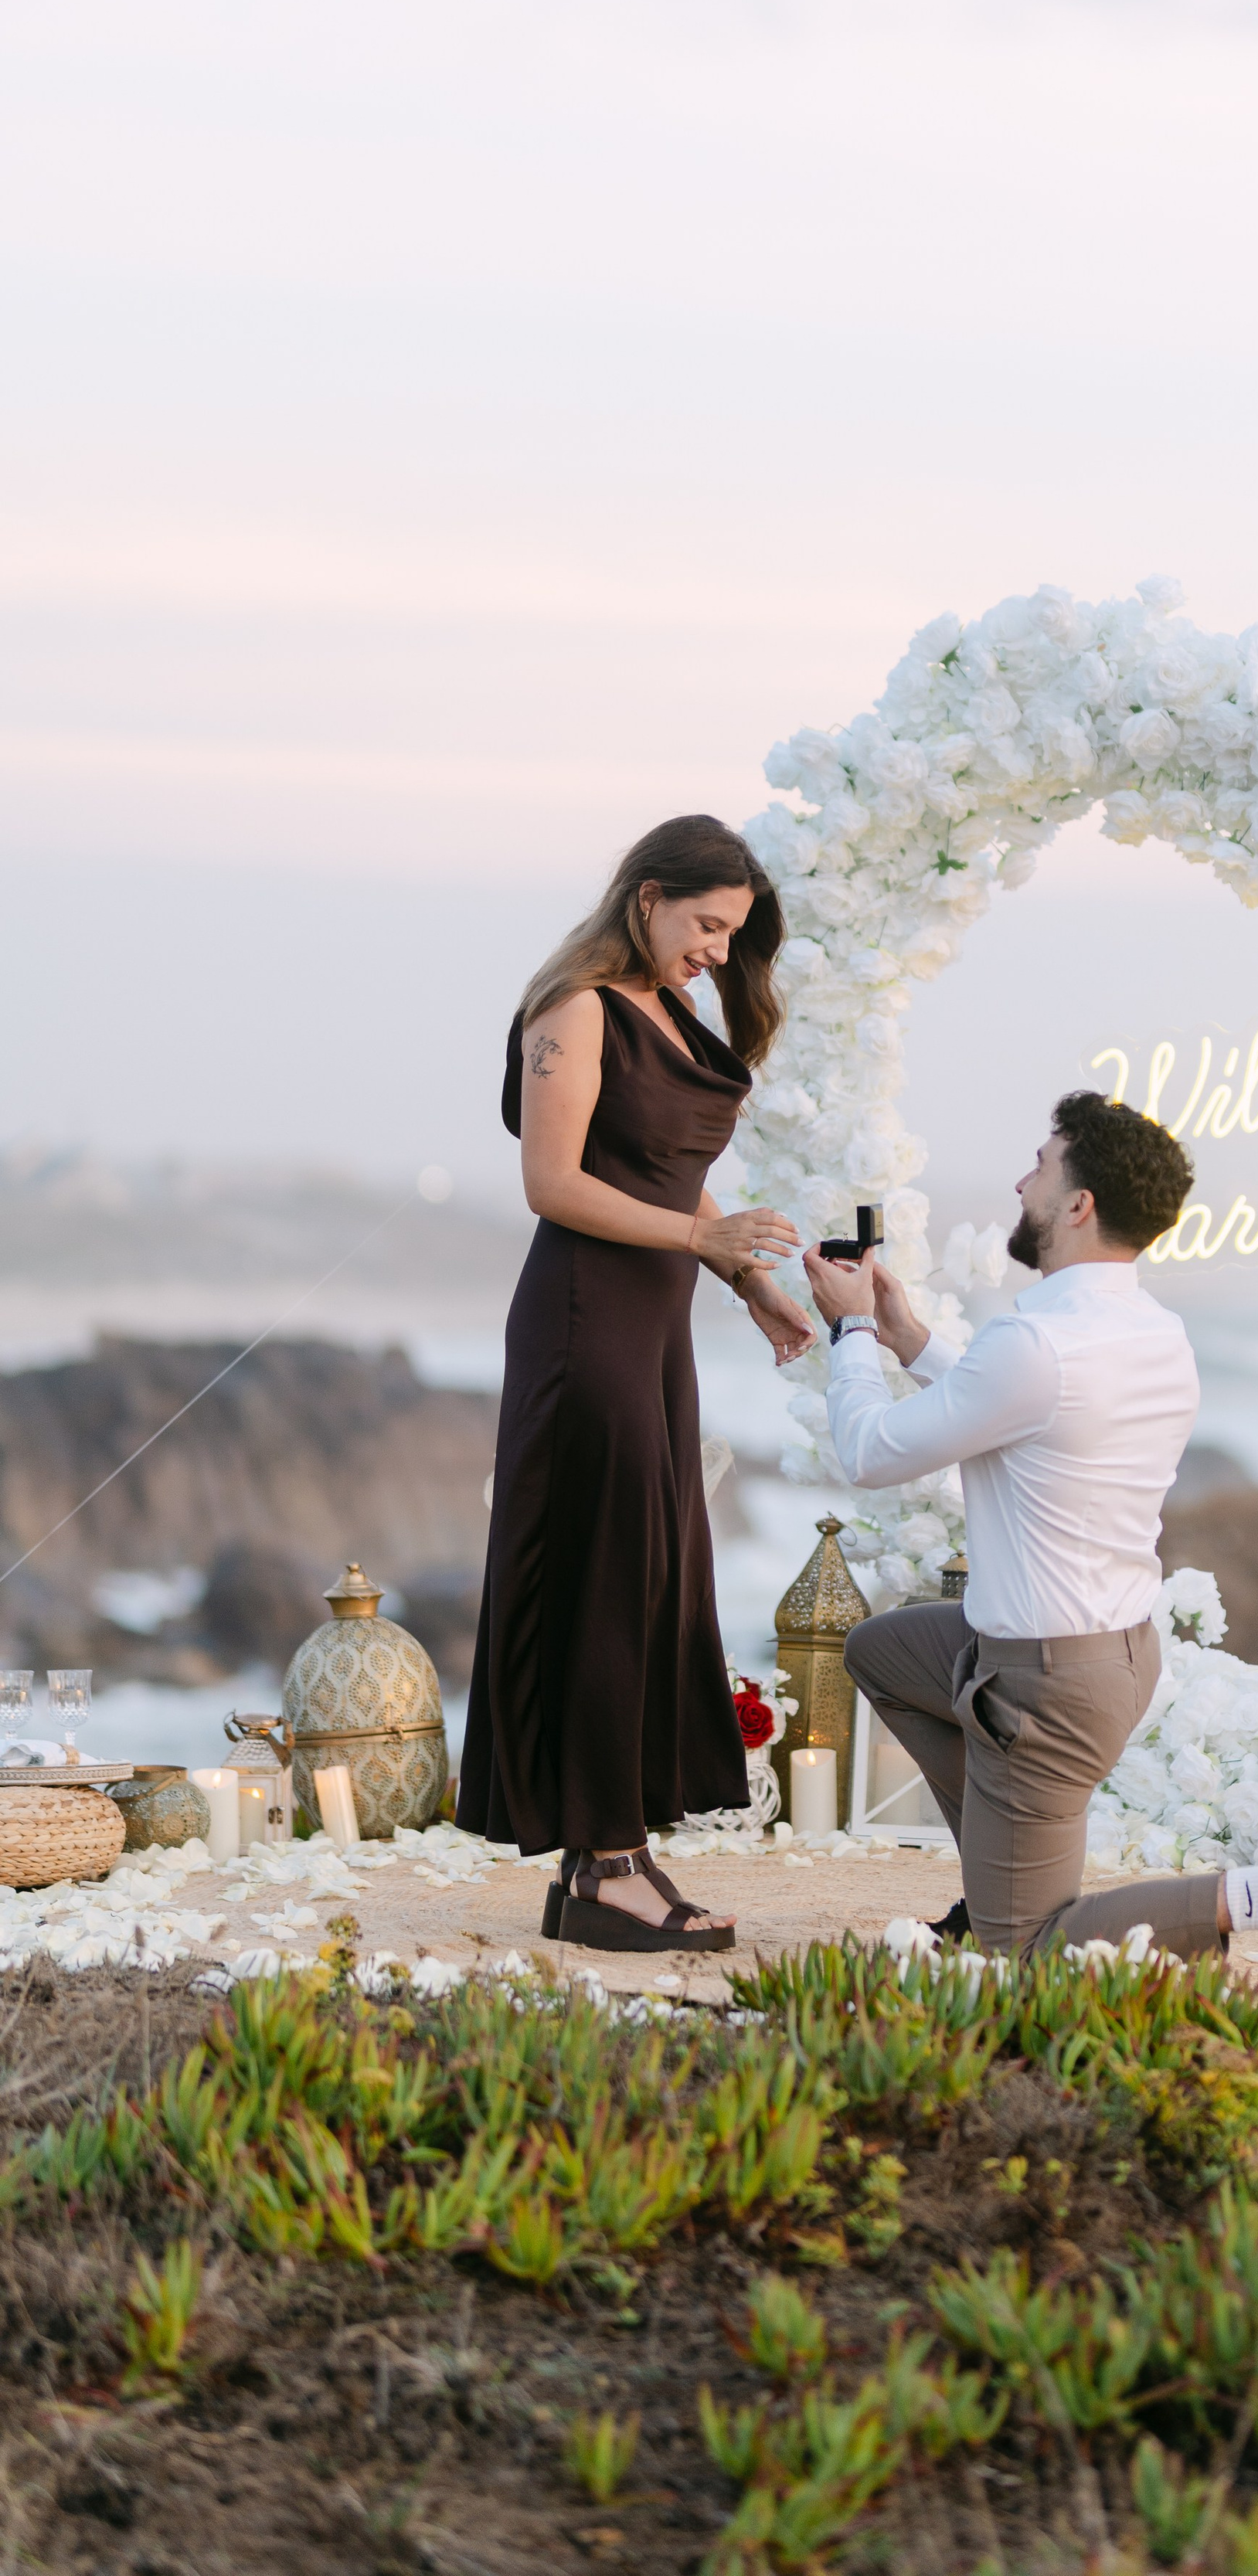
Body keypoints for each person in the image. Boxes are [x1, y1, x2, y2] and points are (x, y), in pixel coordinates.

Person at [804, 1092, 1258, 1997]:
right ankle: (998, 1868)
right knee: (880, 1650)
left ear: (1078, 1205)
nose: (1021, 1180)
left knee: (1024, 1955)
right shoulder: (1151, 1332)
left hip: (1044, 1686)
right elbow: (1031, 1407)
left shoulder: (1035, 1341)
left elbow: (872, 1453)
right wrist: (909, 1337)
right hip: (1112, 1654)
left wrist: (853, 1329)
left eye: (1041, 1163)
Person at [457, 814, 811, 1956]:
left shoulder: (679, 1008)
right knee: (604, 1577)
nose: (716, 950)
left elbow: (670, 1181)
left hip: (652, 1332)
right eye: (706, 924)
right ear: (649, 895)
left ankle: (606, 1861)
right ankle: (604, 1867)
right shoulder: (576, 1008)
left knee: (648, 1576)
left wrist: (750, 1289)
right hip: (584, 1321)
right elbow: (551, 1184)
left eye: (731, 934)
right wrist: (701, 1246)